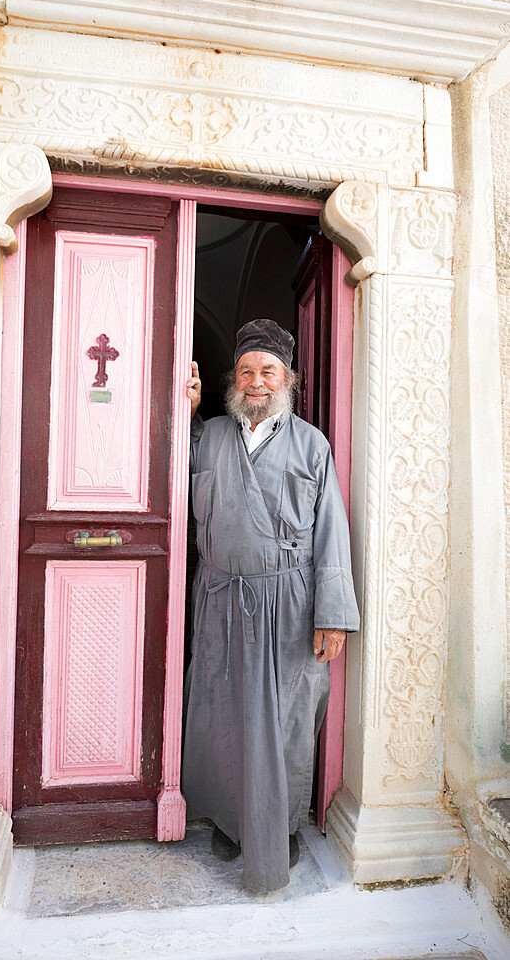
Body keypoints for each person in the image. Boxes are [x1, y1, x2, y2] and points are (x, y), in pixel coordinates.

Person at [182, 318, 359, 893]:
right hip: (221, 598)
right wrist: (185, 416)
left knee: (286, 717)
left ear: (286, 380)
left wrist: (332, 614)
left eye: (268, 371)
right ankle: (233, 822)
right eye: (246, 371)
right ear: (233, 381)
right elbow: (172, 480)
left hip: (289, 603)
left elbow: (332, 528)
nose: (256, 382)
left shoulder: (312, 444)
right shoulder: (208, 437)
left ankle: (279, 827)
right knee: (225, 708)